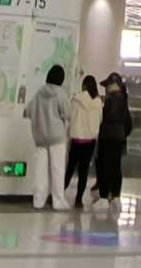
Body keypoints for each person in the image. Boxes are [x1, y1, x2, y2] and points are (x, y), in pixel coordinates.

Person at [27, 63, 69, 209]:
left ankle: (38, 201)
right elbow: (67, 113)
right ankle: (58, 201)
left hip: (40, 138)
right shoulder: (61, 94)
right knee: (57, 170)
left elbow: (28, 111)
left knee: (40, 171)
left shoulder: (39, 93)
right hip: (57, 138)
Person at [64, 72, 102, 207]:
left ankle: (59, 194)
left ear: (84, 86)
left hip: (76, 140)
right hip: (89, 141)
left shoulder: (76, 100)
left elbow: (70, 117)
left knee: (70, 168)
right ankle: (79, 199)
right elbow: (100, 120)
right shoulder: (98, 103)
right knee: (83, 171)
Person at [94, 73, 132, 205]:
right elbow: (129, 124)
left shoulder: (113, 99)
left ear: (115, 85)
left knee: (105, 166)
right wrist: (122, 134)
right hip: (118, 137)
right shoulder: (123, 100)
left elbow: (110, 117)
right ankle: (115, 196)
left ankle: (104, 197)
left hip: (108, 137)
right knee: (115, 167)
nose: (106, 88)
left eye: (107, 85)